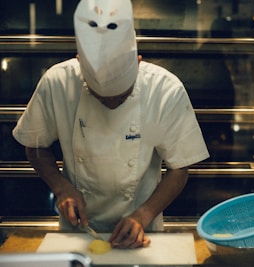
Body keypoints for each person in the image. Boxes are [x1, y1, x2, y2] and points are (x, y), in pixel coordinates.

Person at [12, 0, 209, 249]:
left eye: (121, 95)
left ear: (138, 62)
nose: (111, 104)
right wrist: (61, 187)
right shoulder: (57, 83)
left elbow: (179, 168)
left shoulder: (165, 90)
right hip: (76, 233)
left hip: (144, 233)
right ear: (79, 64)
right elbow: (35, 145)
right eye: (100, 96)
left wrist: (144, 214)